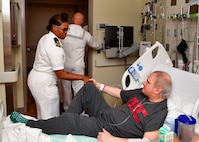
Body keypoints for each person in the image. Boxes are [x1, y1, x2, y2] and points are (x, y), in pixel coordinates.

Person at [10, 71, 172, 142]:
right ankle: (65, 120)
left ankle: (29, 123)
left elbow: (147, 141)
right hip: (106, 114)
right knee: (89, 88)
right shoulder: (142, 93)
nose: (144, 82)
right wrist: (99, 86)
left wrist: (112, 140)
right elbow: (120, 93)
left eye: (148, 82)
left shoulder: (159, 112)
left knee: (72, 120)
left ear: (158, 90)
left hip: (105, 128)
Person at [27, 13, 91, 120]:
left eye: (67, 29)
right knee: (51, 118)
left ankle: (42, 133)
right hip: (44, 84)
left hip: (37, 79)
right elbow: (61, 74)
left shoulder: (47, 37)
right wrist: (82, 77)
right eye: (64, 29)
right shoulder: (54, 46)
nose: (66, 32)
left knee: (43, 114)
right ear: (54, 28)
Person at [61, 12, 102, 111]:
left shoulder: (64, 31)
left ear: (72, 20)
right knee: (78, 89)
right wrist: (101, 46)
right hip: (78, 66)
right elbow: (94, 45)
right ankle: (79, 110)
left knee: (66, 89)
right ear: (82, 22)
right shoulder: (85, 34)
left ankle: (67, 109)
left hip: (65, 64)